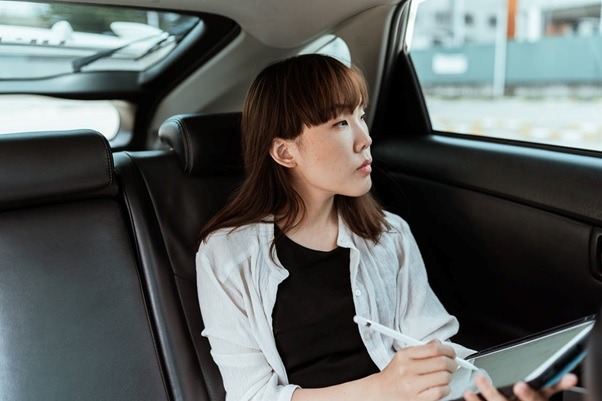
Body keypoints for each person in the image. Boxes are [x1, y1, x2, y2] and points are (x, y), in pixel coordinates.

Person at [195, 54, 577, 401]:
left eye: (361, 115)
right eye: (341, 122)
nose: (365, 139)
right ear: (285, 152)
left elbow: (432, 347)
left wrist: (495, 389)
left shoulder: (388, 234)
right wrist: (381, 389)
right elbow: (251, 396)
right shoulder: (228, 255)